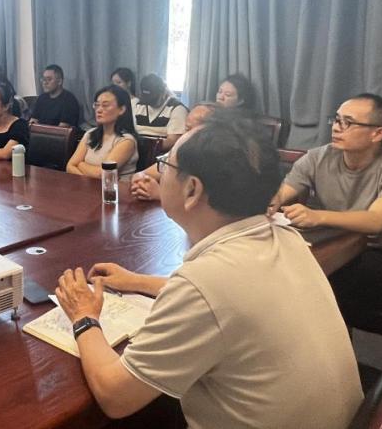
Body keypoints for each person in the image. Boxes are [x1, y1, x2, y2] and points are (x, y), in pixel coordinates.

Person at [54, 116, 362, 427]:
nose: (160, 173)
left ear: (192, 189)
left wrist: (84, 316)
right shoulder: (286, 237)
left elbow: (115, 397)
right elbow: (228, 301)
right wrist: (136, 281)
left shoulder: (205, 282)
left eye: (165, 165)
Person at [269, 93, 382, 324]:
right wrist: (271, 200)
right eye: (336, 119)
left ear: (377, 133)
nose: (336, 128)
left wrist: (317, 216)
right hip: (337, 244)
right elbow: (285, 191)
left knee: (313, 283)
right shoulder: (318, 157)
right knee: (285, 267)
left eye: (347, 123)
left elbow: (376, 220)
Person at [129, 102, 219, 202]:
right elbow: (142, 174)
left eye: (189, 129)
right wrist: (141, 184)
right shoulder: (181, 151)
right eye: (186, 128)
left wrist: (160, 194)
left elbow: (204, 205)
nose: (184, 135)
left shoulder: (218, 162)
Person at [66, 85, 139, 180]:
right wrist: (87, 180)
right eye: (97, 105)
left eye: (105, 105)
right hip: (86, 187)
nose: (99, 110)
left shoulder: (126, 140)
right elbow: (70, 166)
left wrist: (80, 164)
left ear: (121, 109)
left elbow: (104, 174)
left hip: (115, 189)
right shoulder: (90, 134)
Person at [134, 74, 187, 150]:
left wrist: (147, 148)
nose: (150, 103)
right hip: (138, 149)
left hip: (159, 152)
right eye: (147, 98)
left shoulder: (177, 109)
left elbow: (173, 141)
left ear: (163, 92)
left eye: (153, 100)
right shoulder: (139, 106)